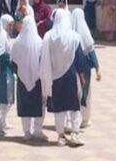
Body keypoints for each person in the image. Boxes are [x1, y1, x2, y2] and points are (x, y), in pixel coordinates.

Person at [40, 8, 87, 147]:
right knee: (74, 105)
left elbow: (44, 57)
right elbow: (79, 58)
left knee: (59, 106)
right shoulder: (74, 36)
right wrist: (82, 75)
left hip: (55, 77)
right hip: (70, 75)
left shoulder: (48, 36)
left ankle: (60, 136)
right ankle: (75, 133)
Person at [11, 16, 47, 141]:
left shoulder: (17, 42)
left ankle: (26, 132)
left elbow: (13, 61)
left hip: (22, 78)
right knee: (39, 104)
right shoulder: (39, 41)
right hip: (37, 79)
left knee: (25, 104)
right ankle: (38, 130)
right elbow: (43, 59)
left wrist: (19, 72)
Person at [71, 8, 101, 128]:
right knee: (86, 93)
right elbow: (91, 52)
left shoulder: (70, 34)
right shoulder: (85, 33)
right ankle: (85, 119)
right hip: (85, 69)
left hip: (73, 68)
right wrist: (97, 68)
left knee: (75, 92)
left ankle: (74, 120)